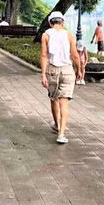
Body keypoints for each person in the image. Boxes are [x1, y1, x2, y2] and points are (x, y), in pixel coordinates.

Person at [41, 11, 82, 144]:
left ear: (50, 23)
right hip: (67, 70)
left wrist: (43, 74)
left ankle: (57, 125)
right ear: (63, 23)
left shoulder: (46, 35)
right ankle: (61, 134)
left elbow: (44, 55)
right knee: (64, 102)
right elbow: (75, 55)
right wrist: (79, 70)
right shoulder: (68, 34)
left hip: (52, 70)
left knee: (54, 99)